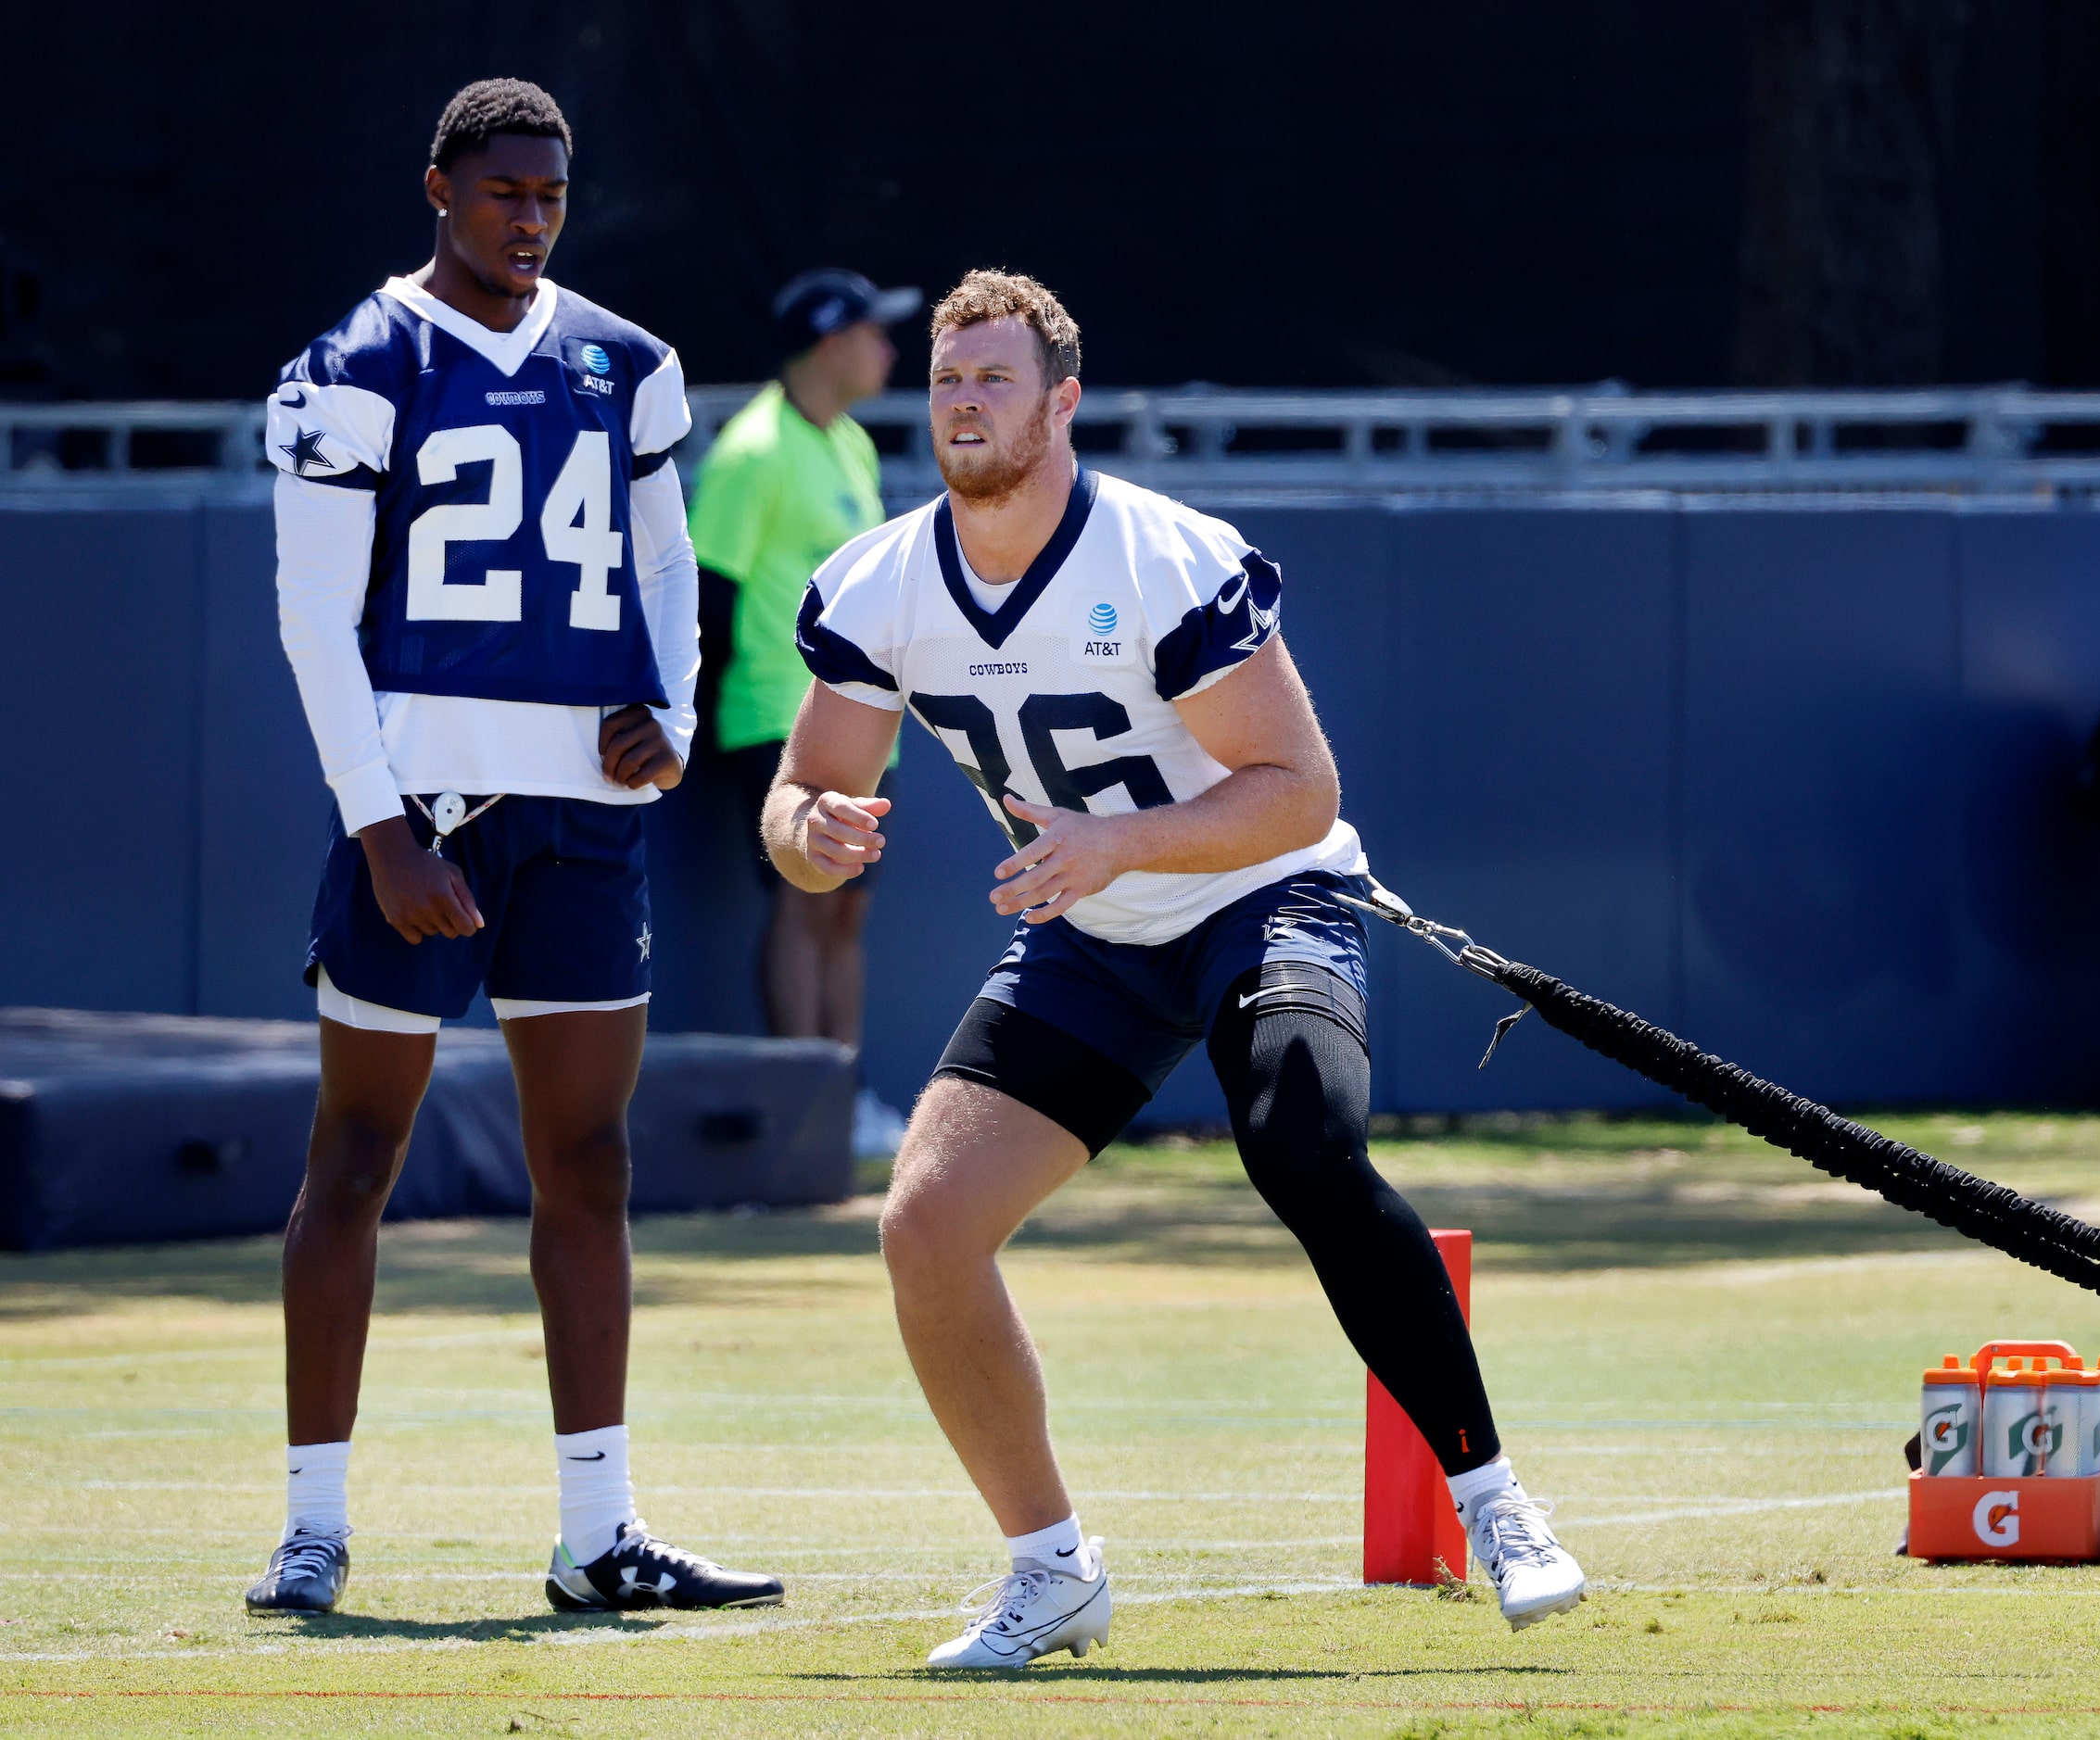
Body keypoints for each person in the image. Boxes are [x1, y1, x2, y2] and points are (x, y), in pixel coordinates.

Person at [764, 270, 1588, 1669]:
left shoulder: (1161, 556)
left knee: (1302, 1148)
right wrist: (813, 831)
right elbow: (799, 791)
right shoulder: (881, 581)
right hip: (1090, 933)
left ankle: (1493, 1499)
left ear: (1060, 402)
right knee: (925, 1226)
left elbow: (1294, 786)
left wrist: (1118, 841)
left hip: (1259, 894)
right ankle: (1051, 1568)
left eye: (994, 381)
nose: (963, 405)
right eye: (948, 380)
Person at [248, 78, 781, 1618]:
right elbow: (309, 614)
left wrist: (670, 708)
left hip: (584, 819)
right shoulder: (358, 364)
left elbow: (669, 560)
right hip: (423, 815)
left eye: (551, 191)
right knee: (354, 1156)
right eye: (503, 191)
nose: (531, 216)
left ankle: (598, 1532)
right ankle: (312, 1523)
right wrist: (378, 823)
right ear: (439, 188)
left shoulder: (629, 361)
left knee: (592, 1161)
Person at [689, 270, 917, 1057]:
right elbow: (707, 602)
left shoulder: (850, 443)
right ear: (831, 341)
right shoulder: (750, 452)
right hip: (775, 719)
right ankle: (803, 1105)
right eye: (872, 333)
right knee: (805, 899)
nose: (888, 350)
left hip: (865, 722)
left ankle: (842, 1098)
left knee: (846, 908)